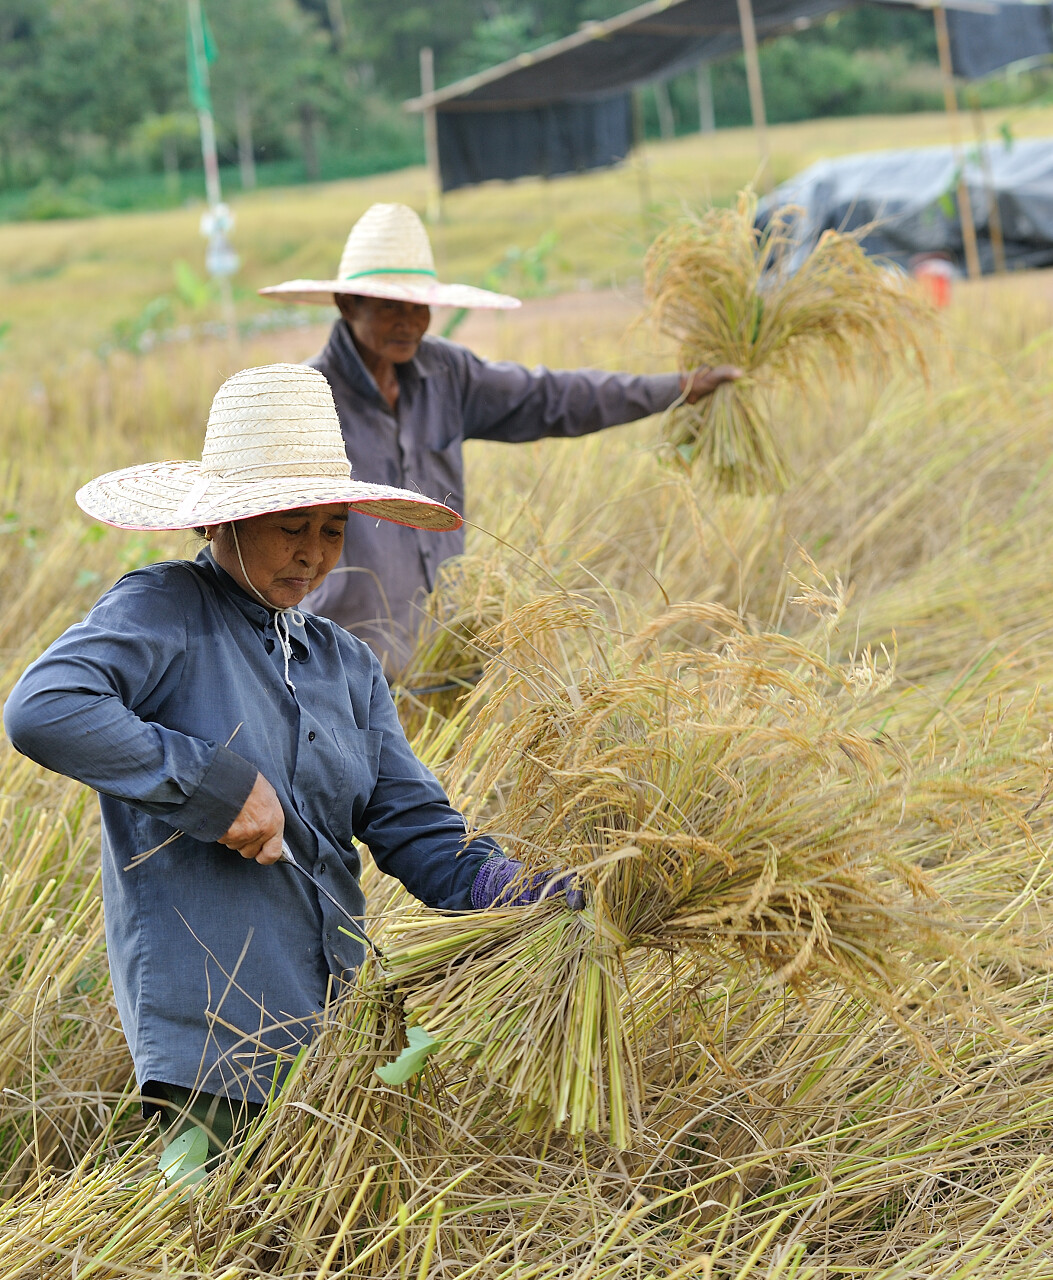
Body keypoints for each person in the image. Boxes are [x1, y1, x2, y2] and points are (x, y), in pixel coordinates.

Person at [3, 363, 576, 1160]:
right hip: (210, 1044)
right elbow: (43, 709)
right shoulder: (164, 610)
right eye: (290, 526)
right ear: (221, 523)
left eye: (332, 529)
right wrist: (215, 786)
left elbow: (410, 825)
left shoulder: (344, 663)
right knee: (204, 1240)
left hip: (332, 1025)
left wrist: (507, 887)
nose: (312, 555)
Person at [260, 202, 741, 678]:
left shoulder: (448, 374)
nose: (409, 321)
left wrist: (676, 389)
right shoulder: (306, 399)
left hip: (442, 660)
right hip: (341, 667)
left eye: (418, 305)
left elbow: (552, 396)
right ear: (348, 304)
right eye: (390, 307)